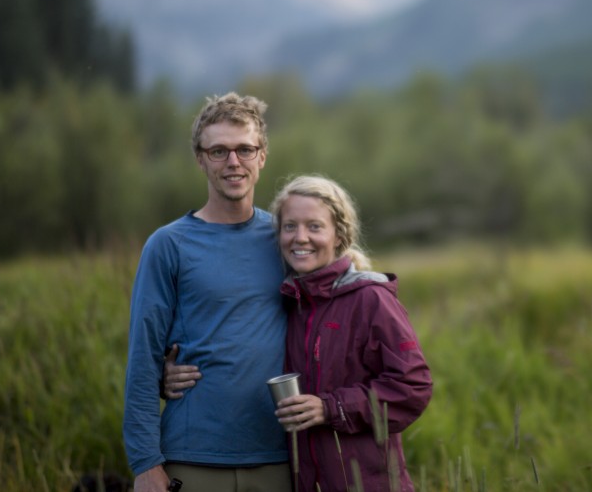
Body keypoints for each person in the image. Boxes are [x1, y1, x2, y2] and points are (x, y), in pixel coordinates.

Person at [164, 175, 433, 492]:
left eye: (314, 226)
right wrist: (166, 376)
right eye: (289, 226)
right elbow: (239, 349)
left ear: (339, 235)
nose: (300, 237)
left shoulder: (371, 299)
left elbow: (413, 386)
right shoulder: (289, 302)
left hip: (367, 483)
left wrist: (330, 407)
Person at [123, 92, 291, 492]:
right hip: (193, 457)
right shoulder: (168, 246)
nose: (233, 162)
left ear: (262, 155)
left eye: (245, 149)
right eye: (218, 151)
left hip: (280, 456)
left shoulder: (287, 240)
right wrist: (145, 463)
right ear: (200, 158)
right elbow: (143, 358)